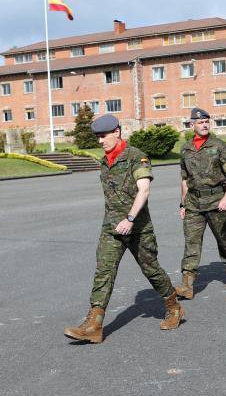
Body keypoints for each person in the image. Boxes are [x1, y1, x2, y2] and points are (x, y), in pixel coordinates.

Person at [64, 115, 183, 343]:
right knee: (104, 271)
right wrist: (118, 220)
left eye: (104, 136)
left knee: (152, 270)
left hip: (137, 227)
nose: (100, 141)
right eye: (98, 137)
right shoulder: (105, 161)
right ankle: (94, 325)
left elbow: (144, 190)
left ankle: (174, 307)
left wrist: (130, 218)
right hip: (112, 228)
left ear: (117, 131)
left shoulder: (136, 157)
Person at [175, 108, 226, 300]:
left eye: (206, 122)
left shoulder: (219, 146)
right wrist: (183, 204)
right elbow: (185, 179)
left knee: (223, 239)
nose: (204, 125)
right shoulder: (185, 149)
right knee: (191, 242)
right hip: (194, 203)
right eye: (200, 122)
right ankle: (187, 285)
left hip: (216, 201)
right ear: (192, 125)